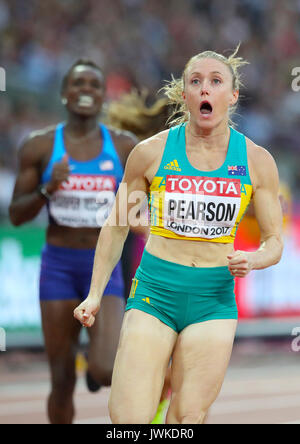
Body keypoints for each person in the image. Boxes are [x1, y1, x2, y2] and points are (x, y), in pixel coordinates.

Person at [74, 47, 283, 424]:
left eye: (216, 81)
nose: (205, 89)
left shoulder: (256, 160)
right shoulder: (150, 153)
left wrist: (253, 258)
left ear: (232, 96)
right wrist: (94, 294)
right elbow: (117, 225)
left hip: (213, 299)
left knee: (187, 417)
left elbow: (275, 242)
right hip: (156, 291)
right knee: (128, 420)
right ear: (184, 94)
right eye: (196, 81)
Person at [9, 59, 138, 424]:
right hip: (59, 268)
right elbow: (16, 215)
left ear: (103, 96)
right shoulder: (40, 146)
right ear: (65, 94)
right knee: (61, 379)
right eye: (78, 84)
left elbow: (137, 212)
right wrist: (48, 188)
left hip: (104, 268)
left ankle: (94, 372)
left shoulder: (125, 147)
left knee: (106, 370)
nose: (86, 91)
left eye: (94, 85)